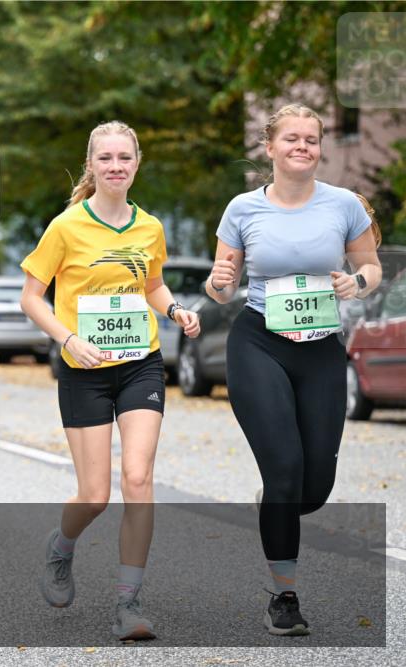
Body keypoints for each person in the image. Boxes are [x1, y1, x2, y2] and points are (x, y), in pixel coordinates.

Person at [20, 121, 200, 640]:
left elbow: (153, 285)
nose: (116, 166)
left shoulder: (151, 227)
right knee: (95, 495)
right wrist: (68, 339)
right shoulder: (65, 227)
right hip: (84, 370)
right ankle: (62, 547)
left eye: (125, 158)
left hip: (141, 362)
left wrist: (177, 310)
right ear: (91, 165)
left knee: (138, 479)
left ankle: (129, 604)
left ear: (136, 164)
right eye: (106, 158)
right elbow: (31, 297)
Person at [206, 103, 381, 637]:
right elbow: (222, 288)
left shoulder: (344, 204)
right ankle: (284, 597)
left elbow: (370, 266)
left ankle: (277, 504)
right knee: (284, 468)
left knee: (315, 486)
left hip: (321, 348)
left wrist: (358, 283)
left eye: (311, 139)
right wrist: (218, 282)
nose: (302, 146)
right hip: (259, 343)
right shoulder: (242, 208)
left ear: (320, 147)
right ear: (270, 147)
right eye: (291, 138)